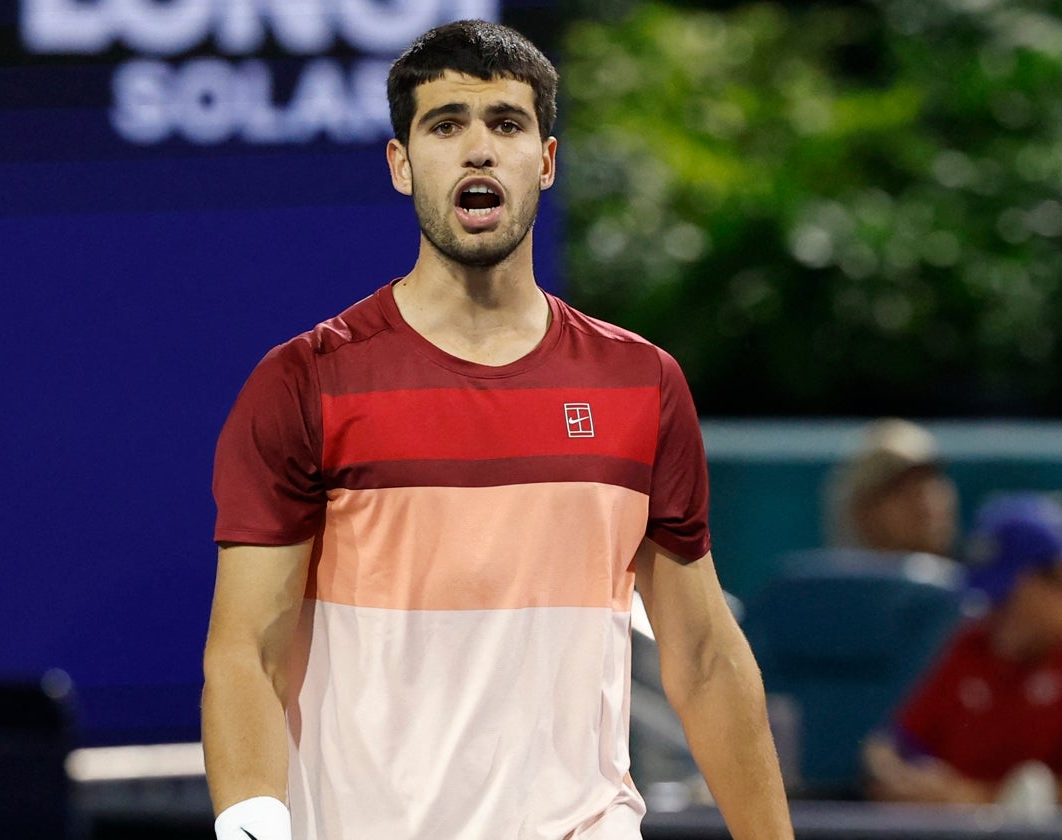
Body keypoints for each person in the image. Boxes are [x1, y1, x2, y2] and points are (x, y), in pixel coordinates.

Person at [201, 19, 793, 840]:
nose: (478, 150)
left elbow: (701, 655)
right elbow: (248, 655)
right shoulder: (305, 383)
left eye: (506, 125)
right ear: (402, 166)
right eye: (446, 125)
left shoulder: (642, 384)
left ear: (545, 163)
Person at [863, 492, 1062, 807]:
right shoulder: (973, 646)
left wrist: (976, 798)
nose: (995, 612)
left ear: (1054, 582)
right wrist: (899, 779)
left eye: (1006, 598)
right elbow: (888, 747)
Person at [825, 417, 960, 559]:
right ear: (862, 511)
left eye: (929, 480)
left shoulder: (978, 574)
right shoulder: (836, 580)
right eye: (900, 487)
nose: (924, 500)